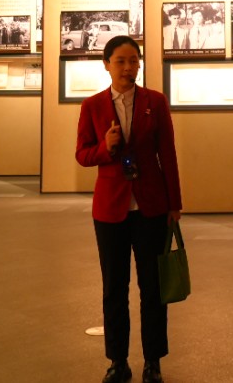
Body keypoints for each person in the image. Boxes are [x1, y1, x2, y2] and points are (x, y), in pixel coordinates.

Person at [75, 36, 182, 383]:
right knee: (114, 289)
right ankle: (117, 362)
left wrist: (175, 203)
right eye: (120, 61)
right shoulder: (92, 106)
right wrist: (105, 148)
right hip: (110, 210)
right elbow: (82, 154)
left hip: (151, 206)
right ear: (106, 65)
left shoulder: (155, 101)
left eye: (133, 60)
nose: (127, 67)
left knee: (153, 288)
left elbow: (168, 154)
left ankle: (153, 361)